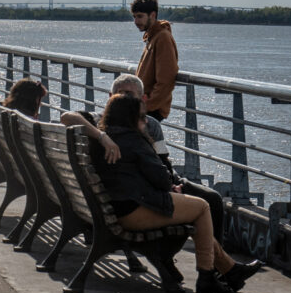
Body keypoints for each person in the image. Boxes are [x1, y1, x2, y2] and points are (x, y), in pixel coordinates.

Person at [93, 93, 261, 293]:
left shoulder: (105, 137)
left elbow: (131, 175)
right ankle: (206, 275)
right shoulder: (133, 140)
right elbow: (162, 178)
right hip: (133, 211)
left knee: (195, 212)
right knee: (202, 207)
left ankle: (231, 270)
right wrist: (171, 186)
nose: (146, 121)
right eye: (142, 117)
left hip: (115, 207)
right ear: (129, 118)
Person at [61, 74, 227, 246]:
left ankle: (218, 258)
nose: (125, 98)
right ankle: (214, 264)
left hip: (159, 180)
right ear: (111, 97)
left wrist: (173, 184)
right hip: (140, 192)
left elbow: (163, 160)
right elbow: (67, 117)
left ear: (142, 99)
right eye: (120, 93)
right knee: (202, 205)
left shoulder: (151, 125)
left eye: (130, 94)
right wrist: (101, 136)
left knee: (213, 198)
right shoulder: (97, 121)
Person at [131, 0, 178, 122]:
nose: (136, 21)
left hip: (152, 109)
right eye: (134, 17)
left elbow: (166, 79)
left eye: (140, 16)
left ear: (152, 15)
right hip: (143, 106)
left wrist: (147, 106)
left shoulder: (162, 37)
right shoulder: (152, 37)